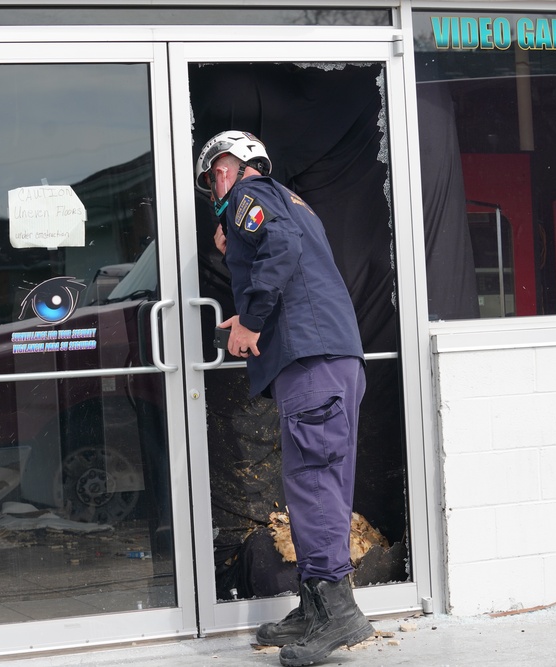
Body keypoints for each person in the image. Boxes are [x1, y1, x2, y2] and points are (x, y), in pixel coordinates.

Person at [195, 130, 373, 667]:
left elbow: (282, 250)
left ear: (240, 162)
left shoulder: (254, 195)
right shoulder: (290, 202)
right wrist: (249, 317)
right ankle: (315, 606)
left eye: (216, 170)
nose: (214, 185)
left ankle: (337, 610)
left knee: (314, 485)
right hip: (325, 359)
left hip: (313, 364)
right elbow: (295, 270)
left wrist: (250, 320)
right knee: (319, 483)